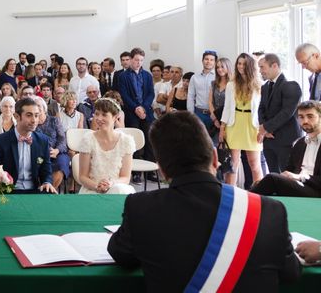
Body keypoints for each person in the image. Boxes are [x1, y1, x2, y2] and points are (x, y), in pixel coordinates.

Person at [108, 110, 301, 291]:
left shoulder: (141, 208)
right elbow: (291, 273)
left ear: (162, 170)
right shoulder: (269, 211)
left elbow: (121, 254)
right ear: (215, 158)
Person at [251, 101, 321, 197]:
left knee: (272, 179)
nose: (305, 121)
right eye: (301, 117)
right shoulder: (300, 143)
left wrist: (300, 177)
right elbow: (289, 170)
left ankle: (239, 204)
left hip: (316, 190)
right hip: (299, 186)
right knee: (261, 185)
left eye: (310, 116)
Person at [0, 98, 57, 194]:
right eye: (29, 115)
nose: (34, 120)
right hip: (8, 190)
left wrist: (47, 182)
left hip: (35, 190)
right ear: (16, 116)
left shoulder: (43, 140)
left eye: (36, 115)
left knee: (50, 193)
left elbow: (46, 168)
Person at [219, 53, 263, 186]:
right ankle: (231, 194)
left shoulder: (259, 84)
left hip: (252, 125)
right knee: (233, 164)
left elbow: (263, 109)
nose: (241, 66)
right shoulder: (231, 84)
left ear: (250, 66)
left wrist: (264, 128)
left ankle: (260, 192)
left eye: (244, 64)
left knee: (254, 164)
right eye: (239, 63)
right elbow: (227, 107)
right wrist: (222, 127)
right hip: (234, 124)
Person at [78, 98, 135, 195]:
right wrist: (97, 186)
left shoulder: (126, 141)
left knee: (119, 191)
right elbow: (82, 176)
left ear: (115, 117)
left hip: (116, 186)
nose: (99, 118)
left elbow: (125, 177)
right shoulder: (88, 139)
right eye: (96, 114)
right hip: (92, 188)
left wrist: (111, 183)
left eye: (104, 115)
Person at [257, 54, 302, 173]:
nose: (260, 71)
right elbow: (261, 109)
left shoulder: (291, 86)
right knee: (273, 176)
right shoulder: (265, 87)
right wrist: (264, 129)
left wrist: (266, 127)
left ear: (274, 66)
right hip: (268, 140)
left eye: (262, 67)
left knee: (288, 177)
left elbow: (287, 112)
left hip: (286, 140)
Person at [118, 47, 155, 176]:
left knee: (149, 140)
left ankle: (150, 171)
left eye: (141, 60)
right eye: (136, 60)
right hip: (131, 112)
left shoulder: (147, 75)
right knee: (133, 142)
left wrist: (143, 107)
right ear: (131, 59)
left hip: (146, 112)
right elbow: (124, 95)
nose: (138, 62)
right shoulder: (123, 76)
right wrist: (136, 108)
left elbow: (151, 93)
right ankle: (136, 172)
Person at [34, 96, 69, 191]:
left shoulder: (54, 120)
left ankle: (50, 191)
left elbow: (62, 139)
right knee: (36, 164)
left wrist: (57, 150)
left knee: (61, 163)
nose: (36, 108)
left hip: (57, 153)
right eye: (34, 106)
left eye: (38, 105)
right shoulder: (32, 123)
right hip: (39, 155)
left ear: (44, 108)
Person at [187, 49, 217, 130]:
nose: (208, 61)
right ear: (202, 61)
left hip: (214, 114)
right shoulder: (194, 77)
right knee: (199, 140)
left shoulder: (218, 77)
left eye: (211, 60)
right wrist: (191, 114)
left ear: (215, 62)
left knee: (214, 141)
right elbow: (190, 96)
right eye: (206, 59)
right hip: (199, 113)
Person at [209, 57, 233, 145]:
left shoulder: (233, 84)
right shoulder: (213, 83)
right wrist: (214, 117)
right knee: (212, 145)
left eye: (222, 67)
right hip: (215, 118)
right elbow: (210, 101)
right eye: (218, 67)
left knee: (229, 146)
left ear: (228, 67)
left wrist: (223, 122)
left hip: (229, 119)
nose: (219, 69)